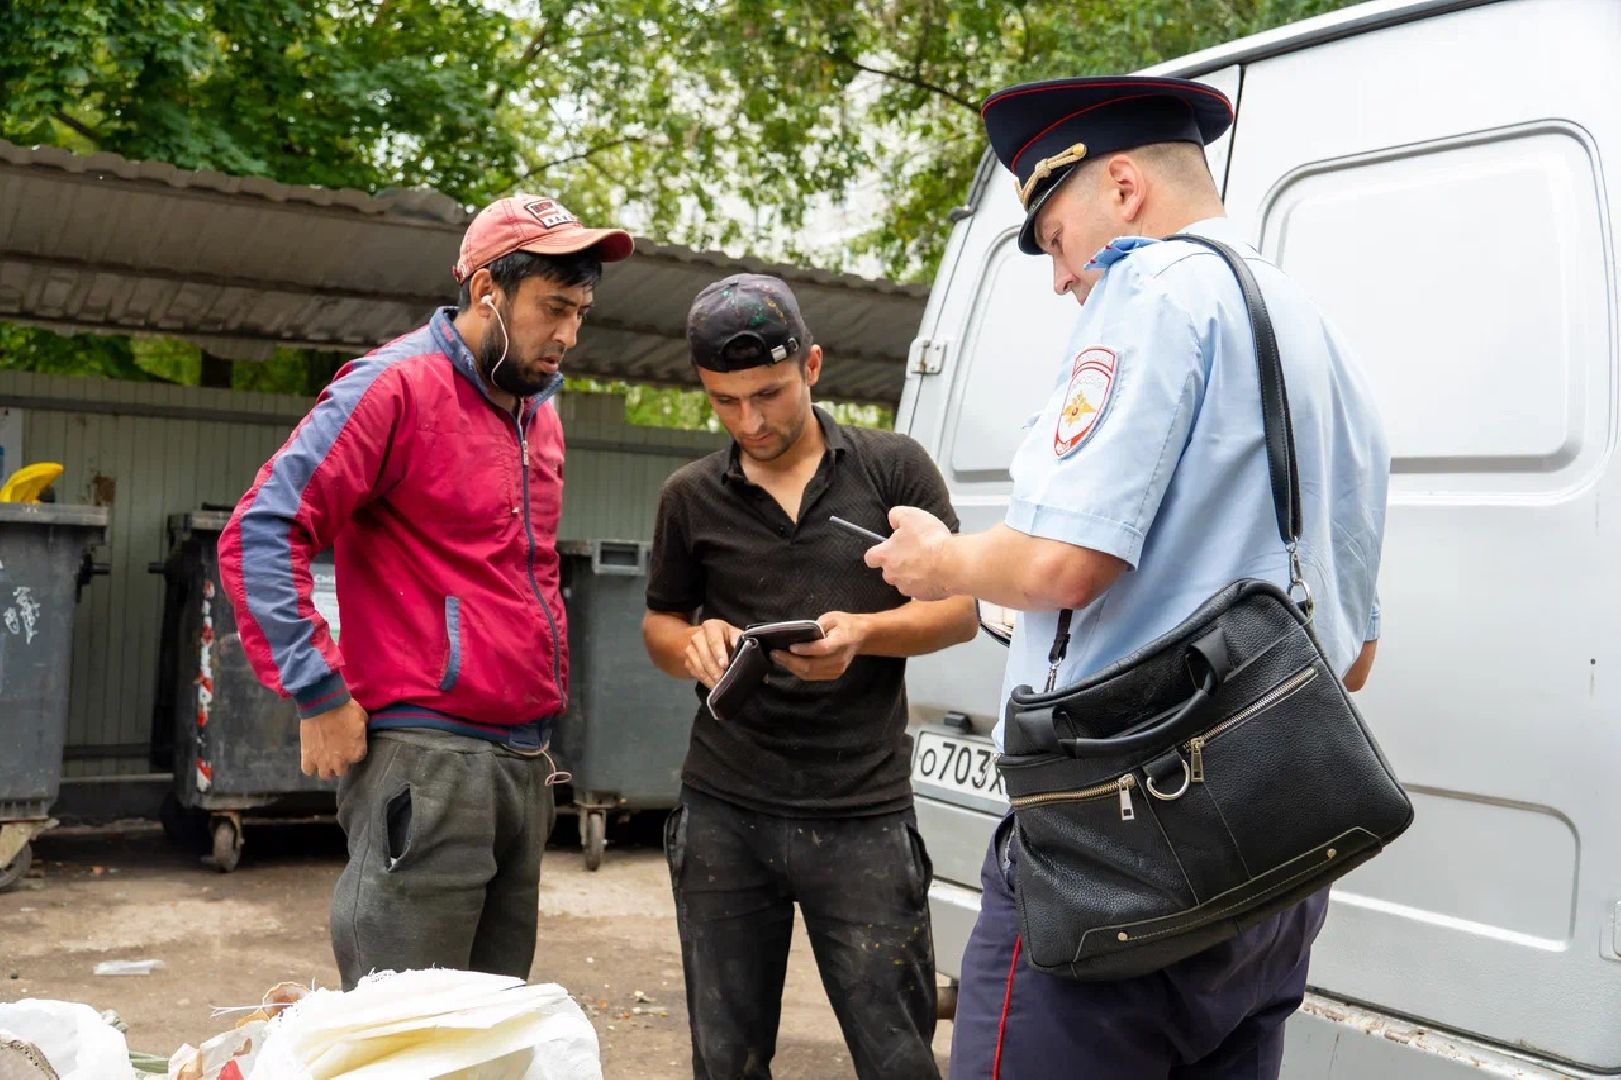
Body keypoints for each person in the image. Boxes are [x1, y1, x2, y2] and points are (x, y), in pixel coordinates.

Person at [864, 76, 1388, 1078]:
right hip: (1276, 853)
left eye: (1056, 237)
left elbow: (1063, 562)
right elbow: (1351, 656)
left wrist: (941, 561)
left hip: (1120, 843)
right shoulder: (1322, 337)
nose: (1063, 277)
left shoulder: (1150, 289)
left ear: (1121, 186)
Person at [218, 194, 633, 990]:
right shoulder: (394, 387)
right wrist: (317, 690)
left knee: (487, 1025)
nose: (569, 335)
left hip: (522, 760)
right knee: (406, 1026)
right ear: (486, 291)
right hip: (427, 758)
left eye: (580, 312)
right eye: (553, 309)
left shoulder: (537, 415)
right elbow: (262, 531)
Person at [641, 273, 979, 1080]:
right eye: (725, 401)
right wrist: (693, 644)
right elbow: (659, 623)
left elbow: (962, 610)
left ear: (813, 366)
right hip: (725, 812)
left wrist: (864, 633)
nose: (750, 422)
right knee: (725, 1060)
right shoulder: (689, 496)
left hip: (861, 812)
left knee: (897, 1058)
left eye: (769, 394)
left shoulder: (893, 470)